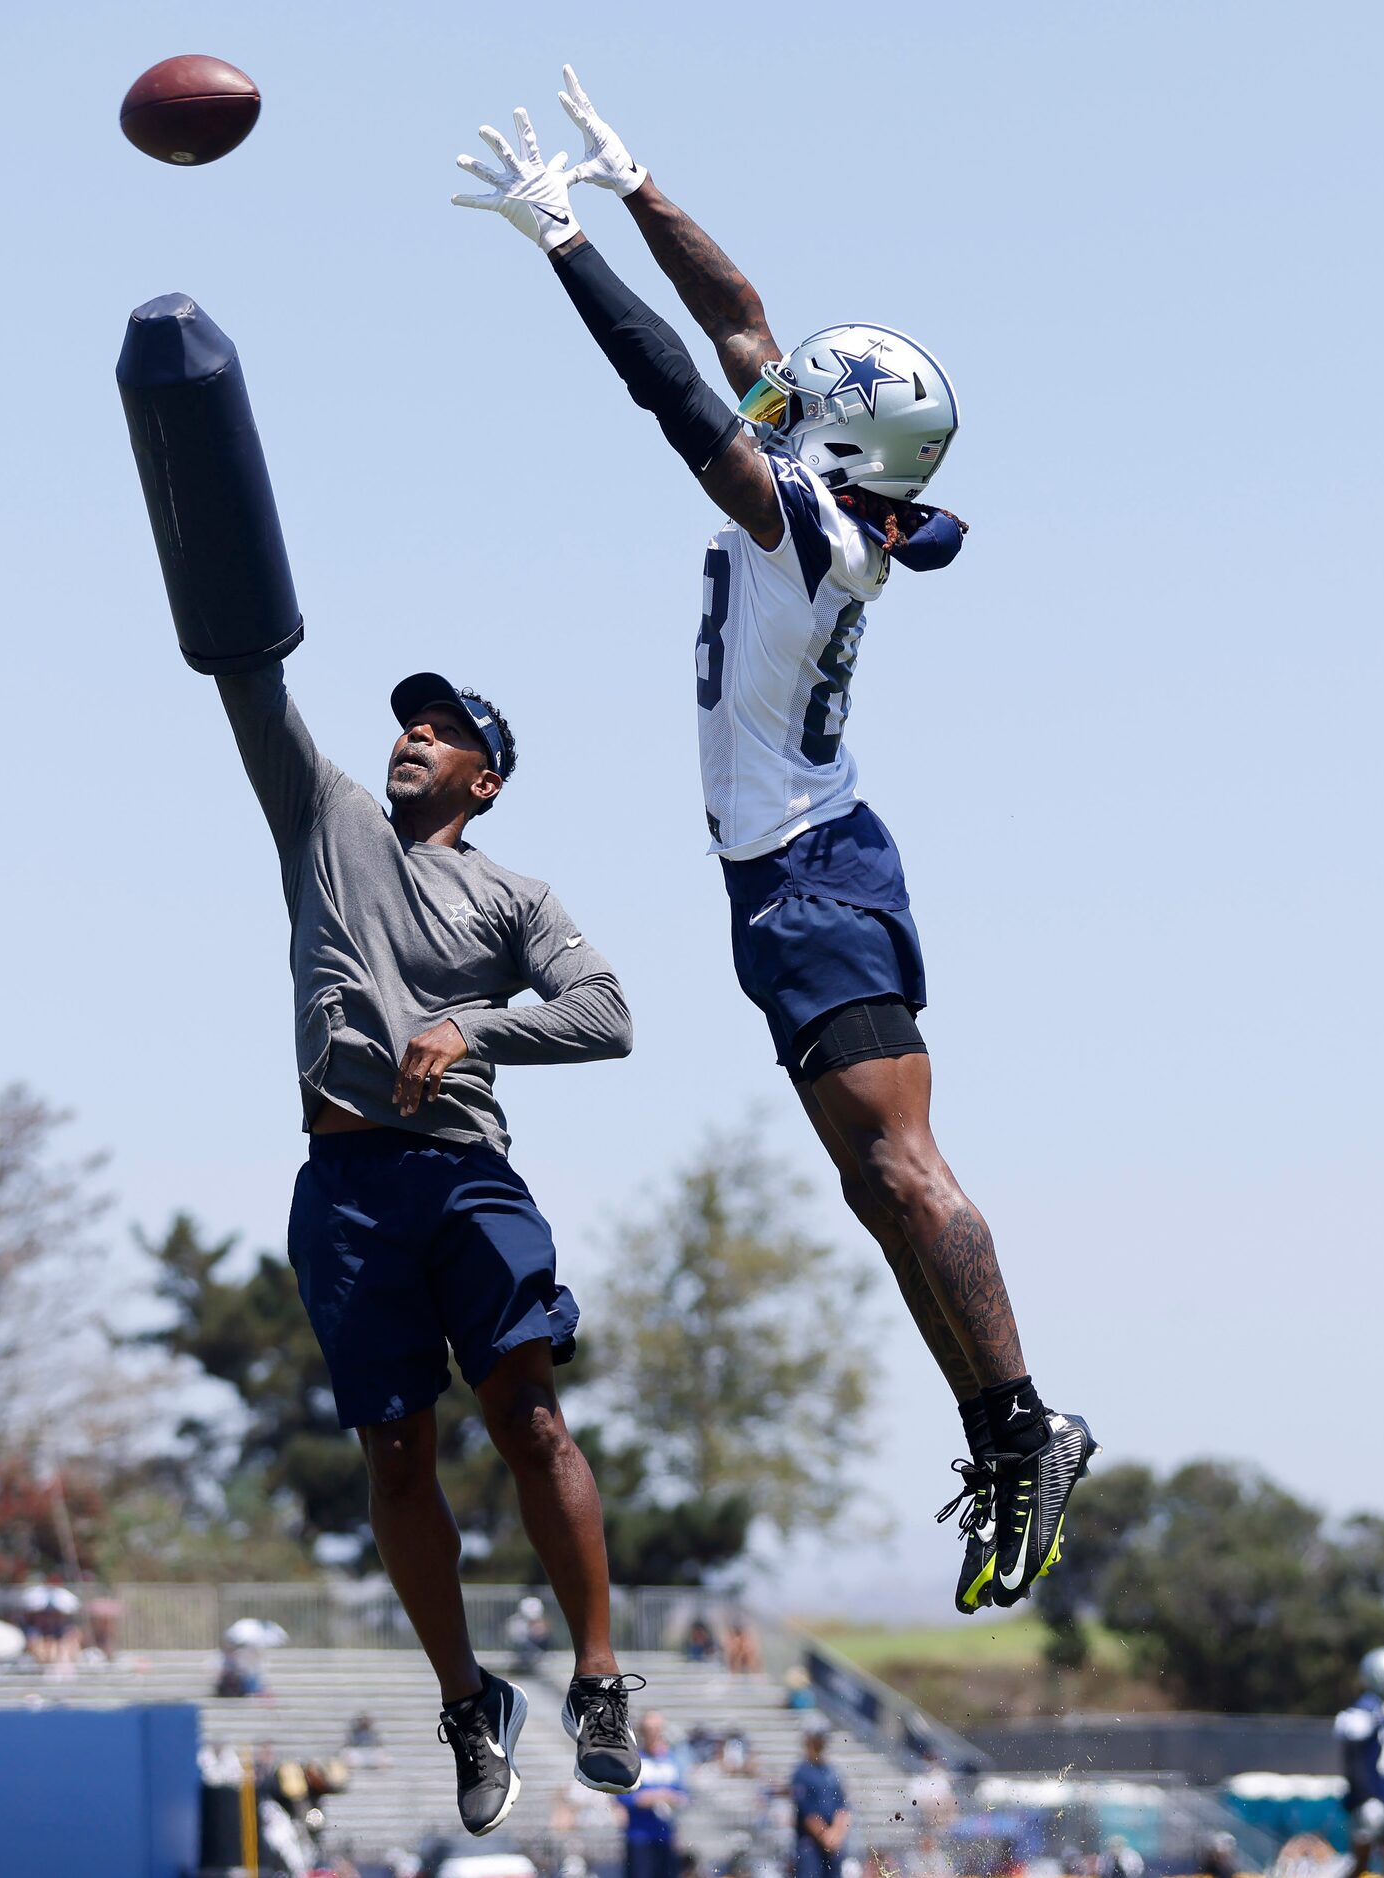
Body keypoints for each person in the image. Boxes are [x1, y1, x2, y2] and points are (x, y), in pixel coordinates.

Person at [451, 66, 1095, 1613]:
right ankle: (1001, 1430)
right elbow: (743, 322)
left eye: (805, 406)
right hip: (795, 865)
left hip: (811, 870)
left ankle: (1028, 1419)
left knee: (899, 1163)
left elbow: (681, 395)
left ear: (846, 450)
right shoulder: (838, 484)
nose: (778, 393)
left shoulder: (806, 525)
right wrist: (638, 185)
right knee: (875, 1185)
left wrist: (562, 249)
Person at [211, 655, 643, 1833]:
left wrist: (474, 1028)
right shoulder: (325, 815)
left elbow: (607, 1015)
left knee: (529, 1417)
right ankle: (470, 1703)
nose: (413, 735)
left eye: (444, 730)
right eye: (408, 720)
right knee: (394, 1457)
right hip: (344, 1184)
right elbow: (249, 685)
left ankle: (599, 1680)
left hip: (466, 1176)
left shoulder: (514, 897)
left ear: (485, 780)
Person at [1335, 1647, 1384, 1878]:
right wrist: (1365, 1796)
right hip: (1370, 1798)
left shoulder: (1382, 1711)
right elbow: (1353, 1756)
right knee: (1360, 1862)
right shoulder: (1362, 1711)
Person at [617, 1712, 689, 1878]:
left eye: (657, 1729)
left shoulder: (672, 1761)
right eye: (649, 1729)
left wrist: (672, 1798)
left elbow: (683, 1794)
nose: (654, 1734)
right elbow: (622, 1796)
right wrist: (650, 1797)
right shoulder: (634, 1761)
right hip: (640, 1837)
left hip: (666, 1836)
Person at [789, 1722, 850, 1878]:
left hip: (833, 1843)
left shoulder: (832, 1772)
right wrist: (826, 1837)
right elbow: (808, 1814)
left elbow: (842, 1808)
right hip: (811, 1843)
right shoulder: (801, 1773)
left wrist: (836, 1835)